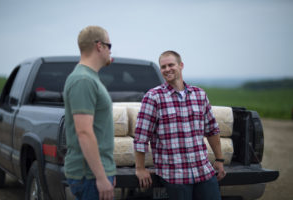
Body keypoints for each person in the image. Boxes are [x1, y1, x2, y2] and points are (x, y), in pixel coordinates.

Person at [134, 50, 226, 200]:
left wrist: (220, 160)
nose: (167, 69)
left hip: (203, 170)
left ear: (181, 65)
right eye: (163, 67)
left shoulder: (199, 95)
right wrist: (140, 168)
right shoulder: (153, 97)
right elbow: (141, 136)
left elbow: (212, 129)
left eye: (171, 65)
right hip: (175, 175)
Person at [63, 26, 116, 200]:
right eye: (110, 45)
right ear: (99, 46)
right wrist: (101, 177)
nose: (110, 51)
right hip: (89, 177)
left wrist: (108, 171)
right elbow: (84, 132)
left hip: (95, 174)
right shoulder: (83, 80)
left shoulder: (89, 77)